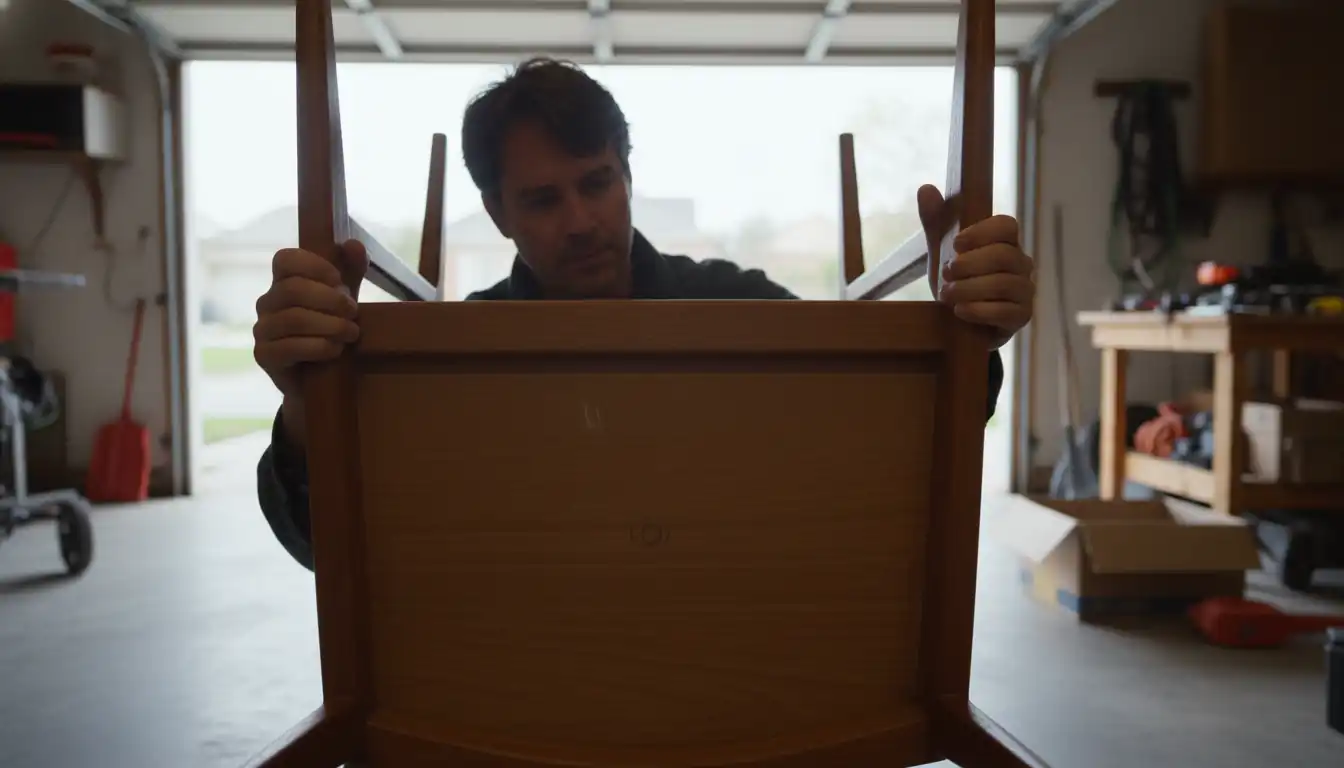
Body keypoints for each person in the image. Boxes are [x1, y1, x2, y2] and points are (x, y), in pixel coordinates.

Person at [252, 58, 1036, 570]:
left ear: (628, 175)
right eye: (542, 198)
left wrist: (967, 335)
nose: (581, 220)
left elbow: (902, 455)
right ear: (498, 215)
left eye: (596, 183)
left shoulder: (742, 308)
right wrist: (304, 405)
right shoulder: (453, 359)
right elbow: (325, 548)